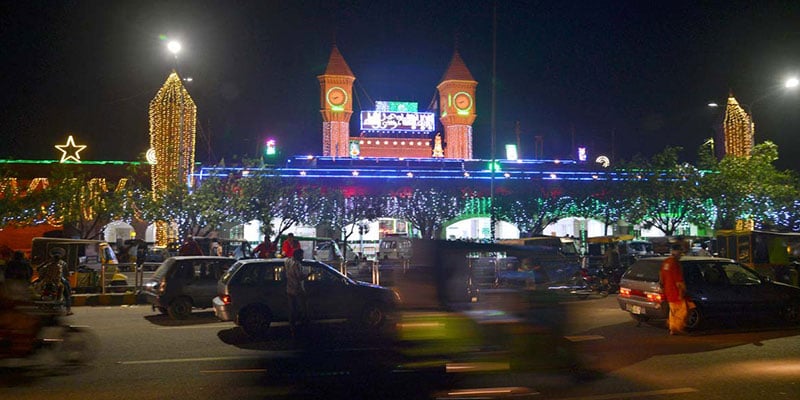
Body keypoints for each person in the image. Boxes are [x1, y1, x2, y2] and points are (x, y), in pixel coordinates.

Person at [660, 243, 687, 335]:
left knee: (673, 311)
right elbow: (679, 280)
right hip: (676, 292)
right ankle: (677, 328)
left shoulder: (666, 262)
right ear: (677, 251)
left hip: (668, 291)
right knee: (682, 311)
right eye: (680, 252)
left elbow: (661, 277)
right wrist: (682, 291)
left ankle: (672, 328)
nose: (681, 254)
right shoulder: (675, 263)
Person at [38, 247, 73, 315]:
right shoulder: (62, 264)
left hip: (47, 282)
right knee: (67, 294)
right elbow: (65, 274)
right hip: (58, 282)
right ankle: (68, 310)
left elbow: (41, 271)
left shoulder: (47, 264)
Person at [285, 248, 308, 336]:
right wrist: (309, 274)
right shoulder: (297, 264)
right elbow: (299, 277)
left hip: (289, 288)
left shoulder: (288, 261)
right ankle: (301, 328)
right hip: (297, 289)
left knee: (292, 309)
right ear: (298, 255)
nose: (303, 257)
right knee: (302, 308)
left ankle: (292, 327)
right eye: (301, 255)